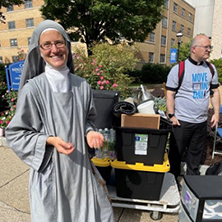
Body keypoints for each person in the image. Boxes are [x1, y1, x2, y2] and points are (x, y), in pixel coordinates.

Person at [5, 20, 114, 222]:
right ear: (39, 50)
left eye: (59, 43)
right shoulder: (33, 89)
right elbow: (16, 133)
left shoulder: (82, 86)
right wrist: (49, 140)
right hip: (51, 173)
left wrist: (90, 133)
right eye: (47, 44)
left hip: (80, 171)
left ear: (67, 46)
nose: (54, 49)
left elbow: (88, 121)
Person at [166, 34, 220, 184]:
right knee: (175, 155)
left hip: (201, 122)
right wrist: (171, 115)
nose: (209, 50)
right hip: (181, 122)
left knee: (195, 155)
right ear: (194, 49)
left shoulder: (210, 69)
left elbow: (214, 91)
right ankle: (172, 180)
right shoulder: (179, 69)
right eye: (206, 47)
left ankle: (192, 183)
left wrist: (216, 113)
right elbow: (170, 93)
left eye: (210, 47)